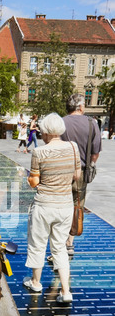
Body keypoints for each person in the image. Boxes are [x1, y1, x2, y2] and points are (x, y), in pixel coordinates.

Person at [24, 113, 81, 304]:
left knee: (38, 244)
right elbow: (77, 176)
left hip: (44, 206)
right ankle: (66, 292)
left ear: (46, 131)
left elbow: (34, 182)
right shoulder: (73, 148)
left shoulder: (39, 152)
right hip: (65, 205)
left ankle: (36, 282)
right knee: (59, 248)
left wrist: (29, 179)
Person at [61, 94, 102, 257]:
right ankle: (69, 243)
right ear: (80, 107)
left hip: (61, 172)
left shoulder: (60, 123)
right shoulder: (92, 123)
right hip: (81, 174)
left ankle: (58, 242)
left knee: (59, 206)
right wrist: (91, 166)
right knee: (77, 206)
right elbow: (95, 152)